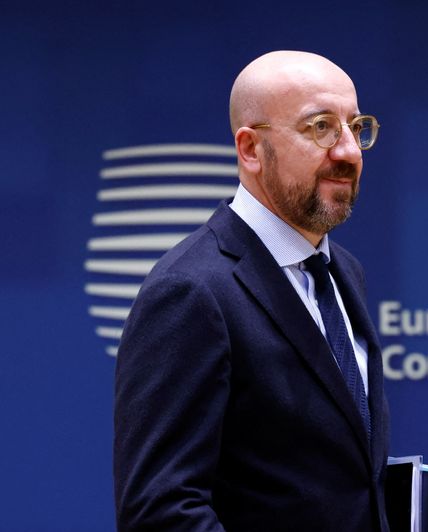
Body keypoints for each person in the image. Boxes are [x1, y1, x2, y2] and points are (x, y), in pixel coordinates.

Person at [113, 50, 390, 531]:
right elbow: (161, 513)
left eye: (355, 126)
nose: (348, 151)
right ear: (250, 150)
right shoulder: (191, 290)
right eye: (320, 127)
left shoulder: (344, 271)